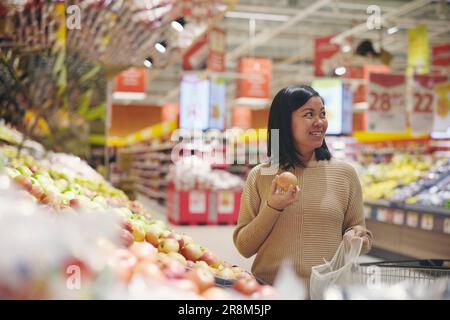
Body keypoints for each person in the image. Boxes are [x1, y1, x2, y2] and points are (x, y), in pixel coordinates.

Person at [233, 85, 373, 286]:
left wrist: (360, 236)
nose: (320, 122)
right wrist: (273, 207)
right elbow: (244, 247)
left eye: (322, 114)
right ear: (284, 121)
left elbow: (361, 237)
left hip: (326, 293)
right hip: (272, 291)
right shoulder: (261, 175)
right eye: (309, 114)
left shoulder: (345, 174)